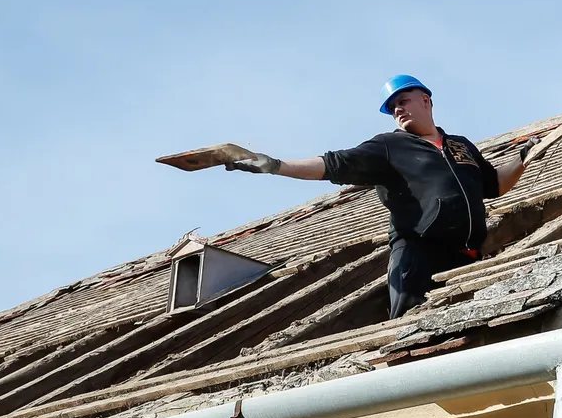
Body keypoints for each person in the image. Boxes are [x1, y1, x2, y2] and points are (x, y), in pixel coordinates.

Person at [226, 74, 531, 318]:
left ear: (425, 100)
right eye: (392, 107)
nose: (397, 109)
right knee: (413, 328)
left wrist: (524, 158)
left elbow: (494, 185)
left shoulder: (460, 145)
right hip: (419, 255)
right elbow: (335, 164)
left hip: (467, 255)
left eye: (403, 101)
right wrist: (276, 166)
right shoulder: (389, 146)